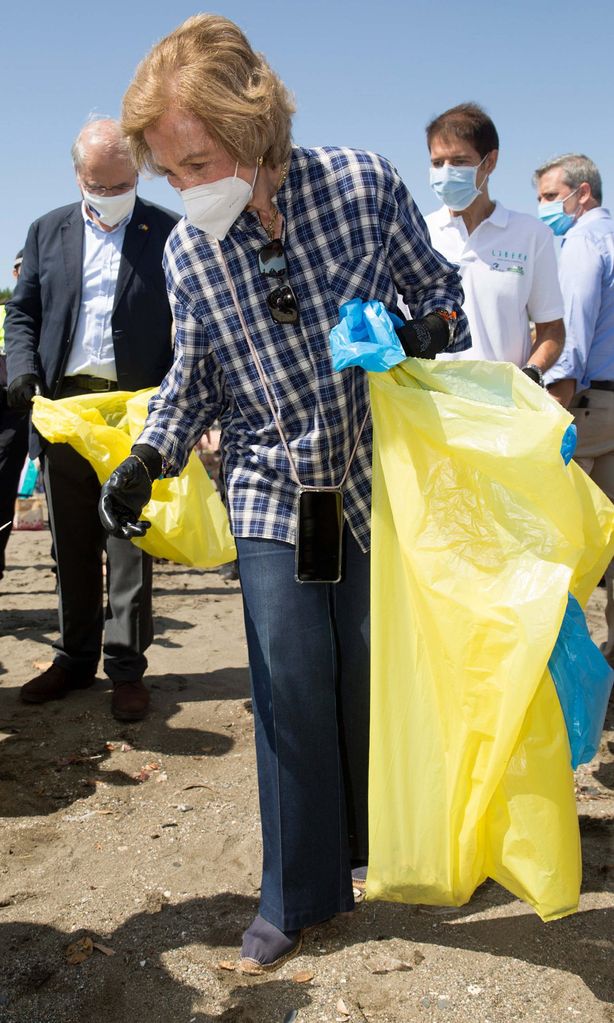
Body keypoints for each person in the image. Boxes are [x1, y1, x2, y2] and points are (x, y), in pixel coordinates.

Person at [98, 14, 470, 969]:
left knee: (365, 672)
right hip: (269, 483)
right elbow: (194, 382)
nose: (181, 188)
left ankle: (370, 843)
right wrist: (147, 457)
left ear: (250, 126)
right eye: (167, 173)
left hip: (369, 477)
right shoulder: (189, 253)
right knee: (289, 681)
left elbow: (443, 299)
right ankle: (296, 891)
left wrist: (417, 331)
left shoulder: (364, 184)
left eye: (192, 161)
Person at [5, 118, 178, 720]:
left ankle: (127, 667)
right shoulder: (46, 230)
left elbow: (190, 325)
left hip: (134, 410)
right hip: (63, 411)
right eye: (101, 186)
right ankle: (75, 659)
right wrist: (21, 370)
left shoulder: (169, 233)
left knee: (127, 541)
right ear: (79, 176)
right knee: (70, 542)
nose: (113, 196)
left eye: (124, 183)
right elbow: (22, 314)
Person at [534, 153, 614, 662]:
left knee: (563, 546)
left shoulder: (583, 241)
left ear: (581, 193)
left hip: (587, 408)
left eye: (548, 196)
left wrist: (553, 396)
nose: (542, 207)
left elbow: (574, 332)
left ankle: (562, 670)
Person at [424, 103, 565, 384]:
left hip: (502, 412)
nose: (446, 172)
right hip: (432, 409)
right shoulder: (419, 233)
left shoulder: (531, 235)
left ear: (489, 162)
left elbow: (551, 329)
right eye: (438, 163)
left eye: (459, 161)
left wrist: (531, 373)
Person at [0, 250, 29, 582]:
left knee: (5, 486)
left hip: (19, 414)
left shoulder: (40, 317)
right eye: (22, 269)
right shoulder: (6, 312)